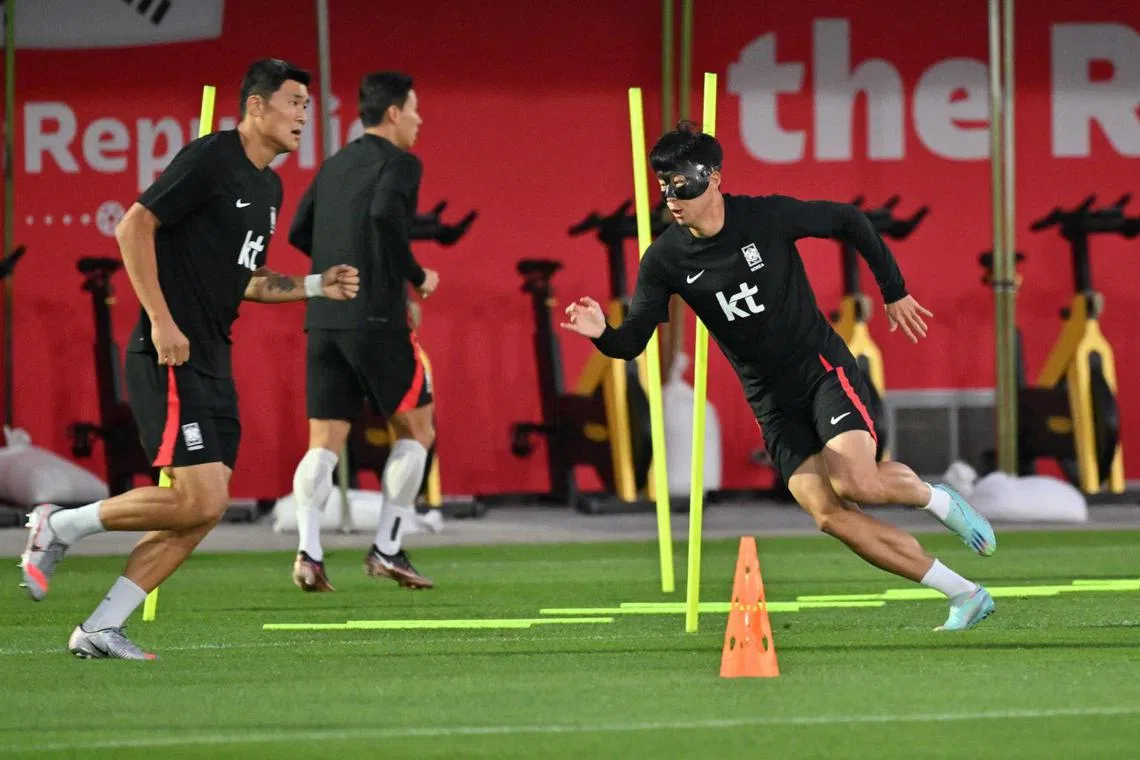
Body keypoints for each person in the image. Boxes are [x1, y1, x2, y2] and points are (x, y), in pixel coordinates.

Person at [561, 121, 998, 631]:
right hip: (770, 401)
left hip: (821, 372)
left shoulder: (764, 216)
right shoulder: (665, 259)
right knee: (828, 514)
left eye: (682, 184)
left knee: (858, 481)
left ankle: (939, 499)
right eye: (664, 187)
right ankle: (964, 593)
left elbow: (851, 221)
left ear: (714, 177)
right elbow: (633, 340)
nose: (672, 198)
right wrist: (600, 332)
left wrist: (894, 290)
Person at [19, 59, 361, 659]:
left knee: (204, 510)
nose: (305, 114)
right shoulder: (210, 158)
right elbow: (133, 227)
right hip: (169, 352)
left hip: (212, 357)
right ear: (256, 106)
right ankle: (59, 525)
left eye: (308, 105)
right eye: (295, 102)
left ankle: (100, 627)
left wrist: (313, 286)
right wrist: (161, 319)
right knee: (200, 500)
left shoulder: (270, 187)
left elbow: (246, 280)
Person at [286, 71, 438, 593]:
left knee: (324, 444)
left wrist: (342, 266)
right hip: (375, 320)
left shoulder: (333, 165)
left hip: (325, 318)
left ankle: (309, 552)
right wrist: (414, 279)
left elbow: (299, 230)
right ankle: (387, 549)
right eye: (415, 109)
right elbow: (384, 214)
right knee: (417, 432)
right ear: (393, 112)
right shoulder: (401, 162)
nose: (420, 120)